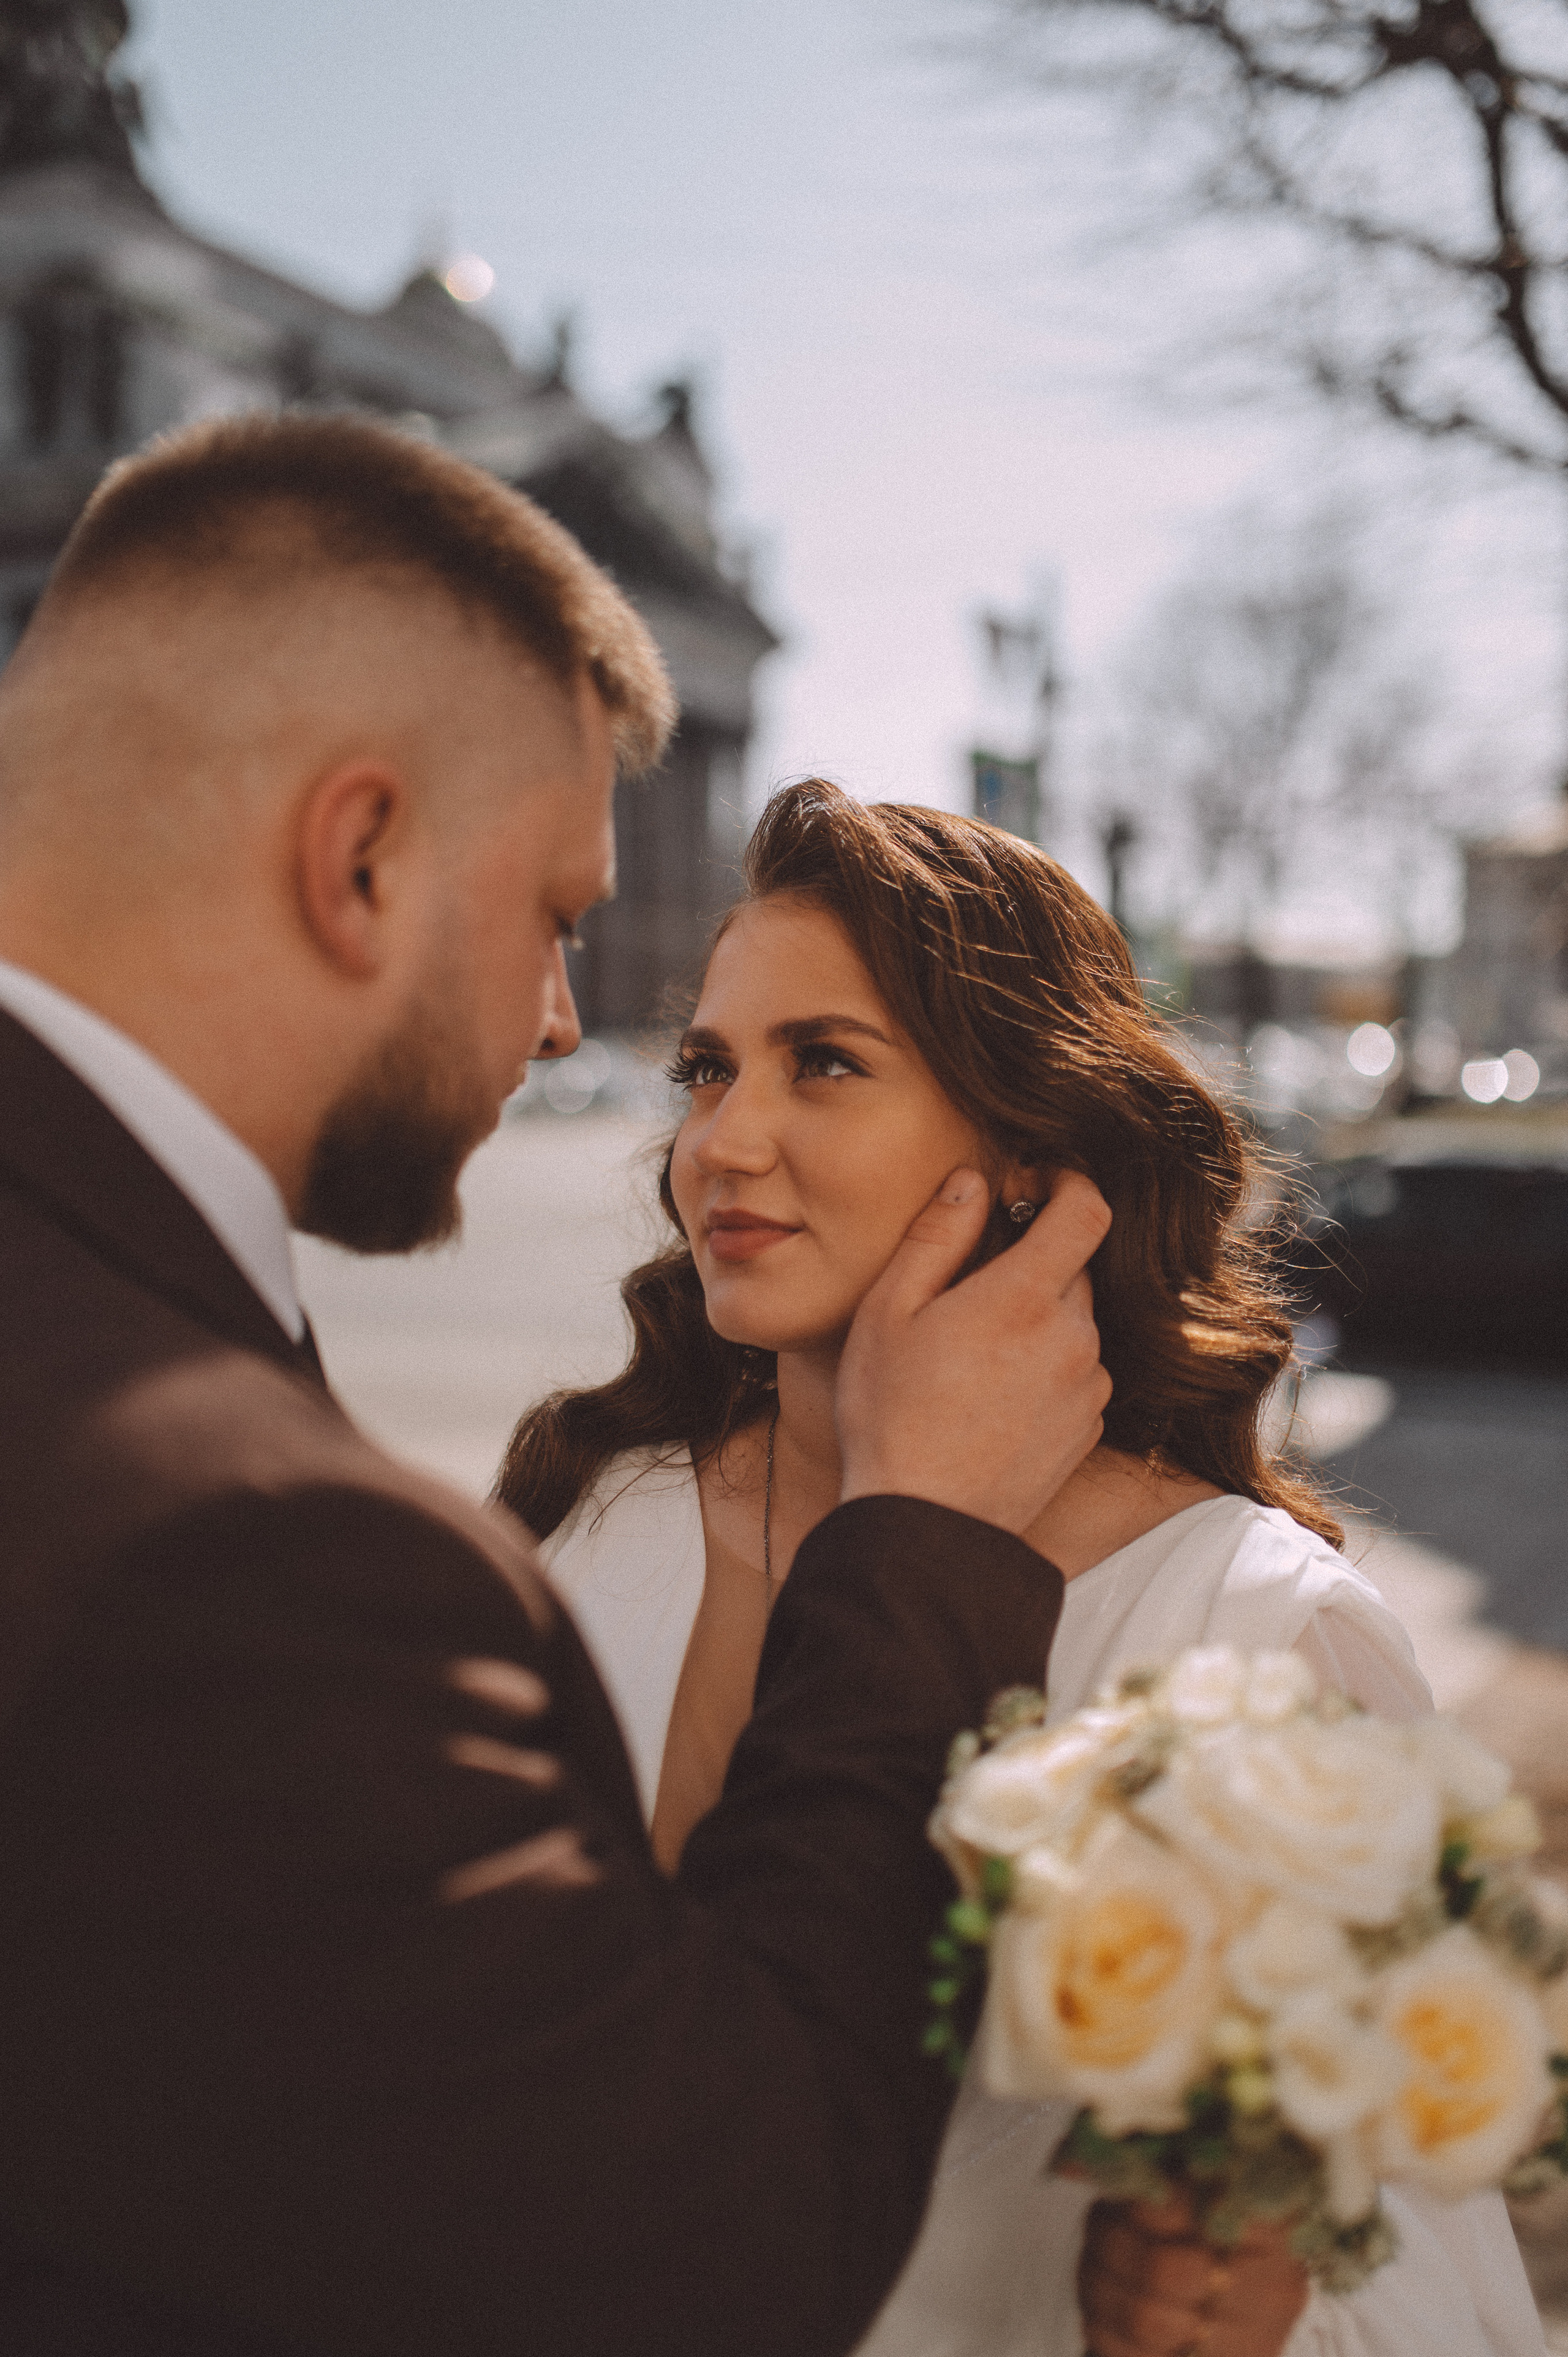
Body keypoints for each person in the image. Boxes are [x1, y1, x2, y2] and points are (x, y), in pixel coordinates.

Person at [0, 411, 1237, 2357]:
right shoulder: (268, 1555)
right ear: (361, 855)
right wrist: (915, 1545)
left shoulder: (1239, 1613)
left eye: (818, 1061)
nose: (571, 1022)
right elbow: (704, 2256)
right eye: (562, 917)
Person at [500, 778, 1547, 2357]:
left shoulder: (1249, 1631)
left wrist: (1245, 2310)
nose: (721, 1140)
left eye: (825, 1065)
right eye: (709, 1068)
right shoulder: (593, 1521)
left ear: (1028, 1149)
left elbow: (1427, 2285)